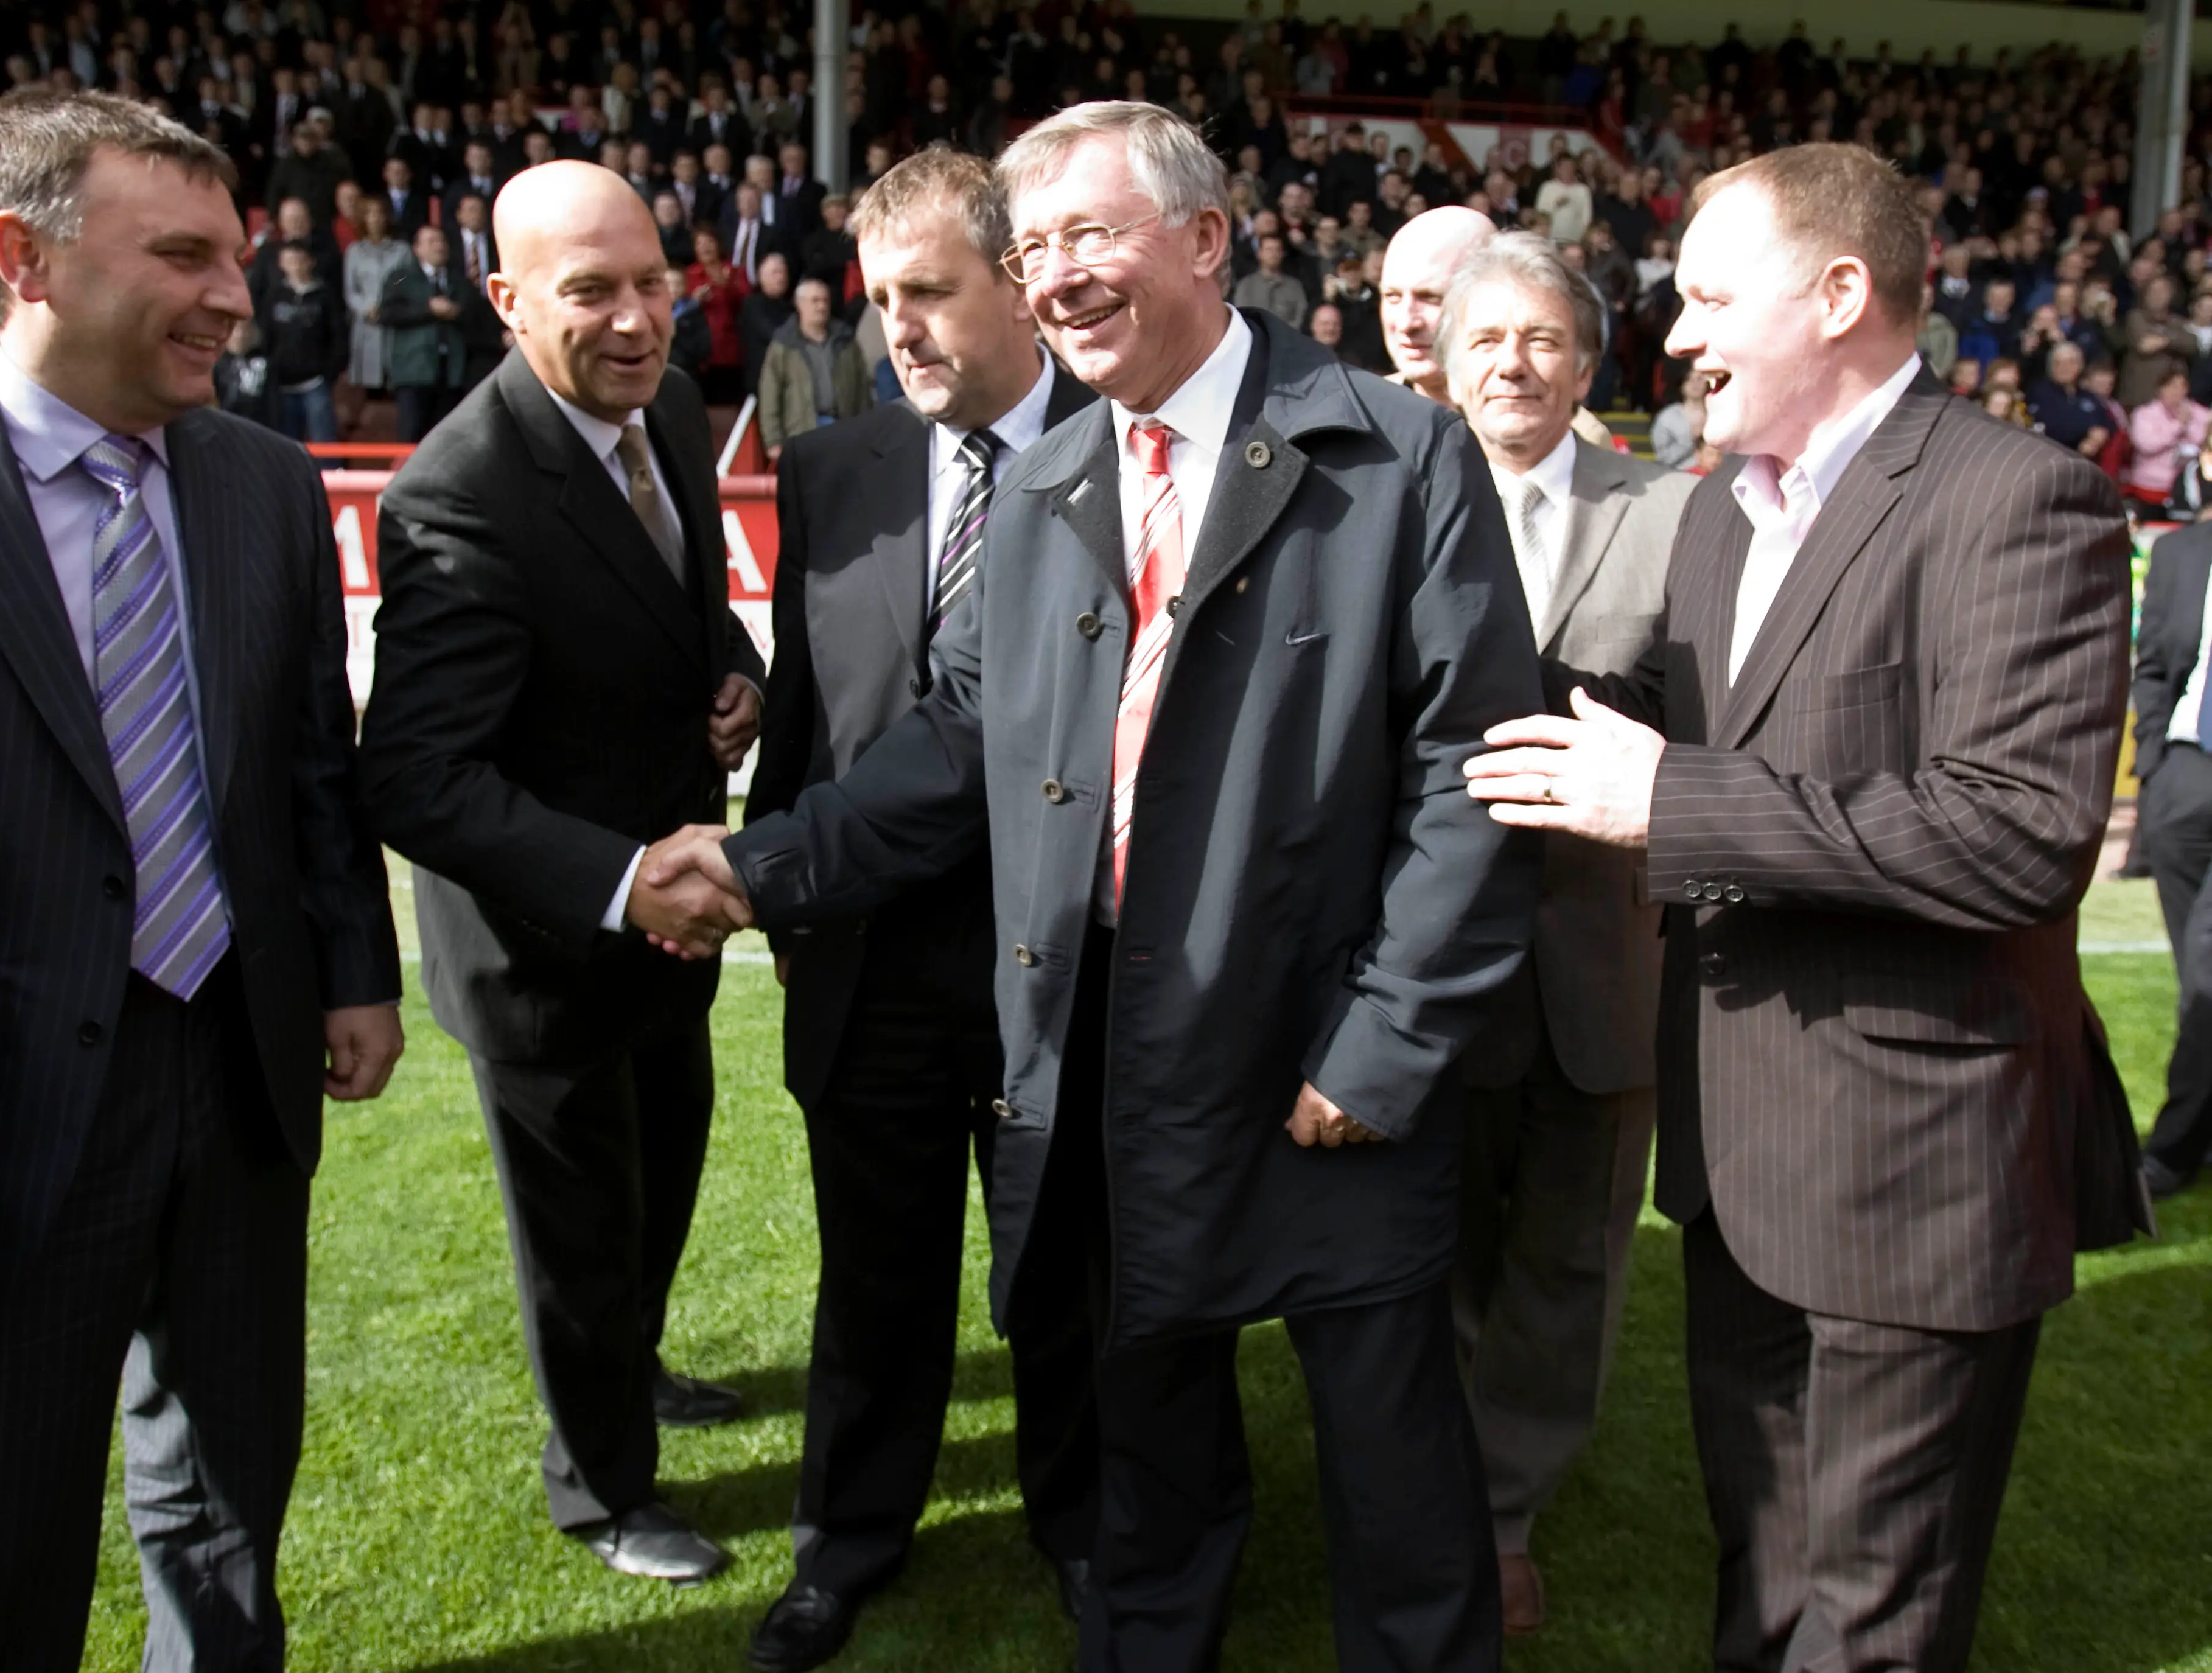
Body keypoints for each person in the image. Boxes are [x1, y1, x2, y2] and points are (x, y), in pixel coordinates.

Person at [649, 99, 1537, 1673]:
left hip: (1329, 1057)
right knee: (1150, 1458)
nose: (1053, 275)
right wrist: (760, 862)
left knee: (1395, 1476)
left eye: (1089, 235)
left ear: (1206, 239)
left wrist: (1386, 1042)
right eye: (1034, 245)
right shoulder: (1056, 477)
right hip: (1112, 1053)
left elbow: (1471, 771)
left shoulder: (1401, 456)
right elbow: (958, 742)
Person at [1464, 142, 2150, 1673]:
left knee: (1866, 1621)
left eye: (1711, 298)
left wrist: (1671, 804)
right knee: (1764, 1583)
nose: (1677, 333)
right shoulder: (1721, 512)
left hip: (1914, 1174)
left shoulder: (2016, 499)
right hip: (1737, 1168)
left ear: (1839, 294)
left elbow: (2019, 835)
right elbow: (1664, 725)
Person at [0, 89, 403, 1672]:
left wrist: (355, 969)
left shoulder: (261, 481)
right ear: (22, 255)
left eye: (234, 257)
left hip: (240, 1073)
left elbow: (309, 759)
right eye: (183, 257)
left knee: (230, 1502)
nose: (237, 297)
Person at [356, 160, 766, 1589]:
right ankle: (600, 1490)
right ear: (506, 299)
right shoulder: (457, 489)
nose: (637, 319)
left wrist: (739, 674)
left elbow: (690, 609)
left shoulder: (673, 406)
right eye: (591, 291)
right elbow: (417, 775)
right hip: (547, 954)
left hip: (670, 932)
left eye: (654, 282)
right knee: (579, 1241)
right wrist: (615, 880)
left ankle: (631, 1376)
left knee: (658, 1194)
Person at [738, 145, 1101, 1673]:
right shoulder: (835, 468)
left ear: (1019, 284)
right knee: (874, 1274)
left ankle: (1086, 1527)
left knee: (1071, 1267)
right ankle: (847, 1540)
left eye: (931, 293)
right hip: (869, 956)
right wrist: (781, 898)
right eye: (882, 298)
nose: (901, 329)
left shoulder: (1126, 450)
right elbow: (810, 714)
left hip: (1060, 956)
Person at [1432, 233, 1693, 1638]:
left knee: (1572, 1252)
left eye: (1542, 338)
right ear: (1444, 362)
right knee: (1443, 1243)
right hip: (1430, 960)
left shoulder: (1673, 514)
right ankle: (1436, 1479)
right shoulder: (1393, 505)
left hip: (1602, 955)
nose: (1514, 363)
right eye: (1487, 337)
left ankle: (1502, 1512)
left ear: (1587, 365)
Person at [2129, 517, 2212, 1198]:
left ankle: (2176, 1147)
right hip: (2183, 777)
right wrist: (2154, 765)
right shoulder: (2180, 552)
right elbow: (2154, 663)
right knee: (2194, 975)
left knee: (2209, 968)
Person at [380, 223, 498, 442]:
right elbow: (387, 314)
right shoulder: (402, 277)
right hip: (414, 372)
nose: (439, 246)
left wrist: (456, 312)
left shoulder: (459, 280)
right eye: (432, 242)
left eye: (442, 241)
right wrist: (429, 309)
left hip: (451, 372)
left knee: (446, 439)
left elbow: (477, 316)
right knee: (412, 435)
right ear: (417, 249)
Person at [1380, 204, 1496, 405]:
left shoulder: (1546, 420)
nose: (1406, 324)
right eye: (1393, 297)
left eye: (1430, 298)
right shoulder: (1352, 416)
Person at [755, 276, 871, 453]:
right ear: (800, 304)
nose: (821, 306)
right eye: (815, 301)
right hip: (802, 435)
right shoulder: (784, 345)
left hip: (844, 432)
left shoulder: (846, 341)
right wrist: (773, 441)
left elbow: (862, 390)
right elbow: (770, 394)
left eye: (825, 300)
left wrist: (866, 431)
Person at [257, 239, 345, 442]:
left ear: (310, 262)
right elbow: (266, 335)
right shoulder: (274, 296)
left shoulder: (325, 295)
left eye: (299, 260)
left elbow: (338, 336)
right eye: (290, 261)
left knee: (324, 441)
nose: (295, 266)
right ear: (281, 264)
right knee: (286, 443)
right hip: (282, 382)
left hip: (316, 383)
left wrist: (329, 372)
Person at [341, 194, 405, 403]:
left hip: (396, 325)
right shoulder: (354, 252)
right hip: (367, 326)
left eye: (380, 214)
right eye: (370, 214)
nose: (376, 219)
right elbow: (351, 291)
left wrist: (391, 307)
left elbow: (407, 285)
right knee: (371, 392)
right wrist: (366, 308)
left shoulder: (402, 251)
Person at [684, 223, 751, 405]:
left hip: (733, 352)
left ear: (719, 244)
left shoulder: (736, 273)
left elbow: (747, 307)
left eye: (709, 242)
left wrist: (727, 287)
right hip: (701, 354)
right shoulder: (689, 275)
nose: (705, 247)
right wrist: (694, 301)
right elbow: (680, 311)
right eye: (700, 243)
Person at [2126, 367, 2208, 505]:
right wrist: (2178, 426)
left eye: (2182, 386)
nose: (2177, 391)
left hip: (2188, 484)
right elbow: (2146, 445)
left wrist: (2189, 424)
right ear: (2160, 389)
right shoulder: (2145, 414)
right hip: (2151, 485)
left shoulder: (2194, 411)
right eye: (2172, 386)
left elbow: (2204, 438)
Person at [738, 251, 796, 397]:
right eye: (775, 272)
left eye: (784, 272)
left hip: (788, 379)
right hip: (762, 379)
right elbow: (773, 333)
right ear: (761, 277)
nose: (781, 277)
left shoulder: (792, 307)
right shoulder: (753, 304)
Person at [1231, 229, 1307, 329]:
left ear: (1282, 254)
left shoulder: (1294, 287)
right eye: (1269, 250)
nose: (1273, 254)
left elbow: (1300, 316)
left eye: (1277, 250)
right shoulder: (1246, 286)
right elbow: (1241, 317)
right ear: (1260, 254)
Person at [1650, 369, 1706, 469]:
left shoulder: (1718, 414)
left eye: (1700, 379)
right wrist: (1690, 439)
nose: (1695, 384)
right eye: (1689, 380)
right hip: (1679, 474)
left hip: (1718, 475)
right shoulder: (1668, 417)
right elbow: (1662, 457)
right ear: (1682, 386)